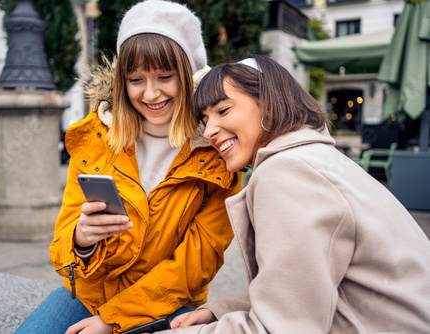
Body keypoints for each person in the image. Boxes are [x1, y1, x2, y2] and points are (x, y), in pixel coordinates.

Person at [15, 1, 242, 333]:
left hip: (170, 302)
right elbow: (62, 251)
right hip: (91, 296)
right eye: (136, 79)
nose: (151, 94)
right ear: (123, 82)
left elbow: (195, 266)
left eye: (165, 77)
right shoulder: (94, 136)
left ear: (188, 76)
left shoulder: (216, 155)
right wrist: (81, 241)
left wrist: (112, 320)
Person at [164, 54, 430, 333]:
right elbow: (303, 286)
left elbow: (282, 327)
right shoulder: (311, 158)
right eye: (205, 119)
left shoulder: (287, 171)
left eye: (223, 110)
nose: (208, 131)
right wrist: (219, 310)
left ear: (267, 102)